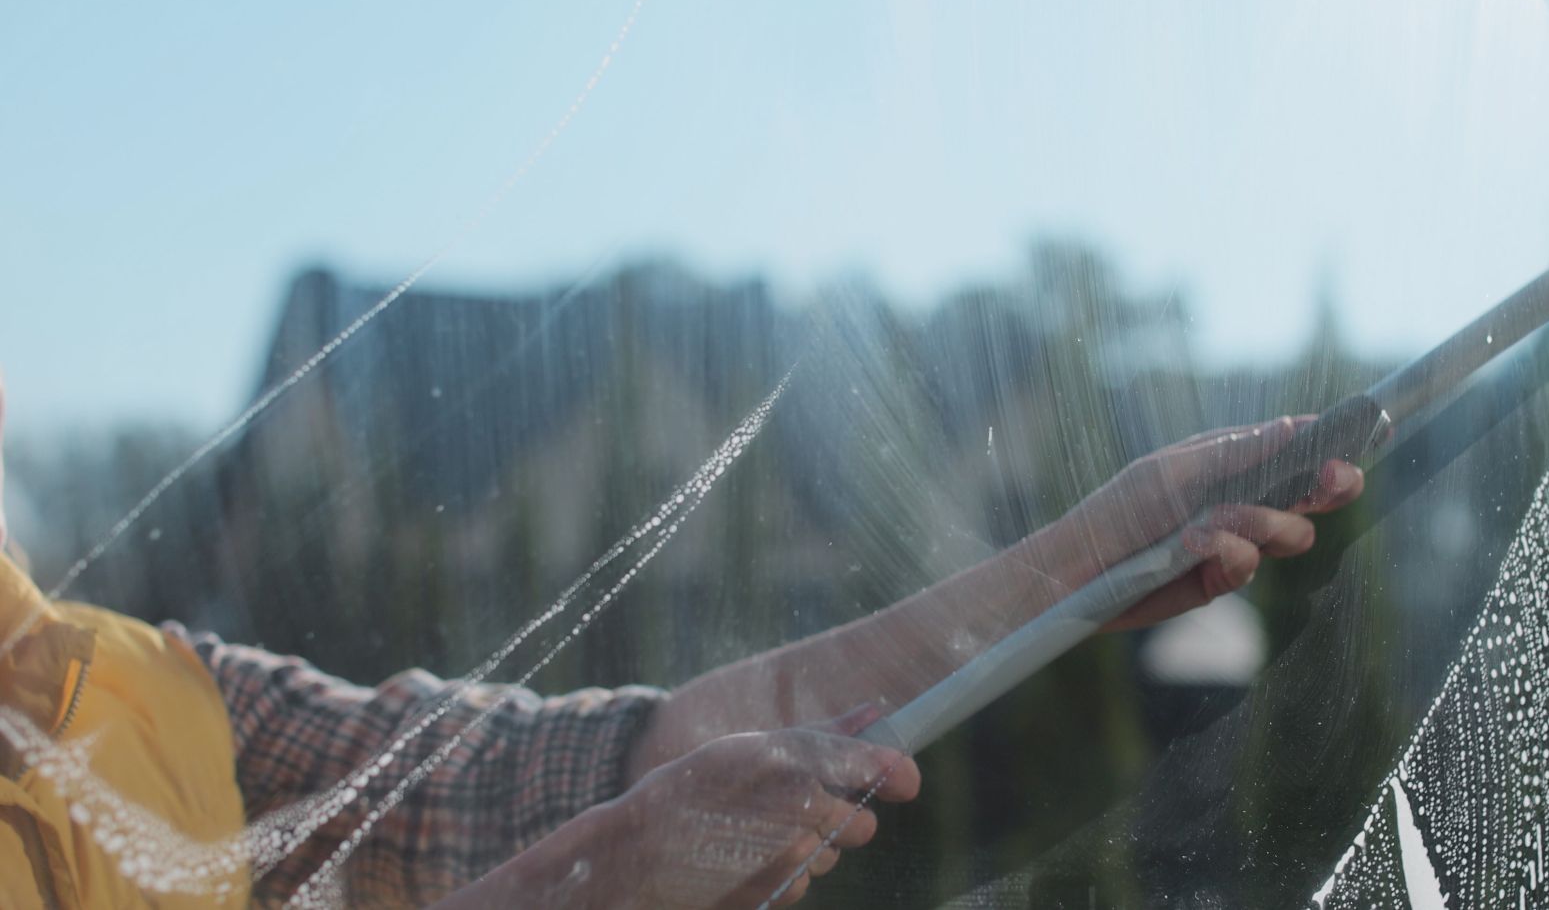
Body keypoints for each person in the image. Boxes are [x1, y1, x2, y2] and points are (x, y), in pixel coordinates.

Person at [0, 369, 1364, 908]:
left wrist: (1088, 552)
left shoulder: (113, 681)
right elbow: (608, 828)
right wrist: (594, 882)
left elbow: (562, 769)